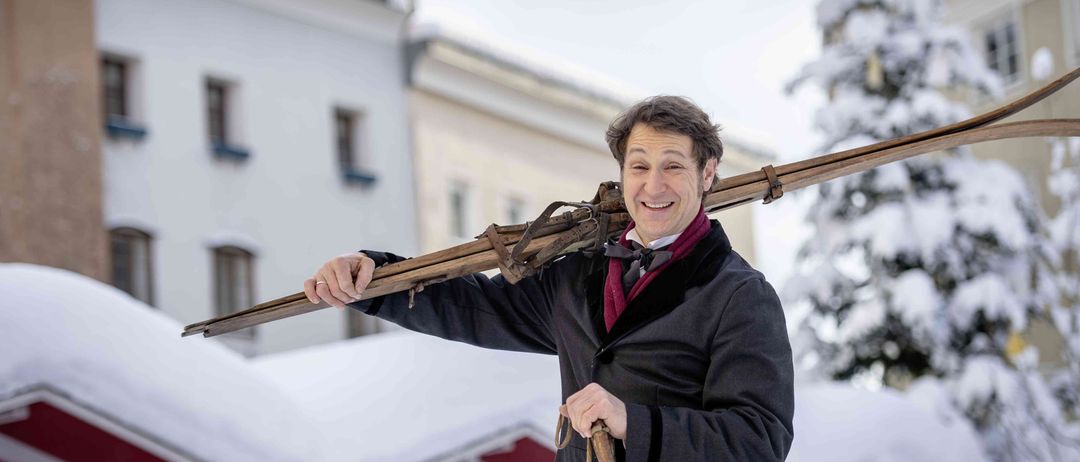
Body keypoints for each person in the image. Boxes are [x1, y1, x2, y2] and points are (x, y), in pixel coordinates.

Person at [303, 96, 794, 461]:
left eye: (674, 167)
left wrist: (634, 423)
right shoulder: (581, 274)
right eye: (639, 166)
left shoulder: (739, 296)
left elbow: (759, 439)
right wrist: (373, 277)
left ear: (708, 174)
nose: (654, 185)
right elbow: (472, 308)